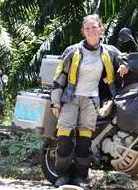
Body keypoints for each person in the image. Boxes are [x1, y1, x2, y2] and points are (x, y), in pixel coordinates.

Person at [51, 14, 128, 188]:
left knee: (85, 141)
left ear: (101, 29)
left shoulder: (110, 51)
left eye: (94, 27)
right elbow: (59, 76)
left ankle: (80, 176)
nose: (91, 31)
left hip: (92, 100)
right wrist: (55, 102)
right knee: (64, 137)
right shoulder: (72, 51)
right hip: (71, 98)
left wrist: (124, 67)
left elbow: (124, 61)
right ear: (83, 32)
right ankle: (62, 175)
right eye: (87, 28)